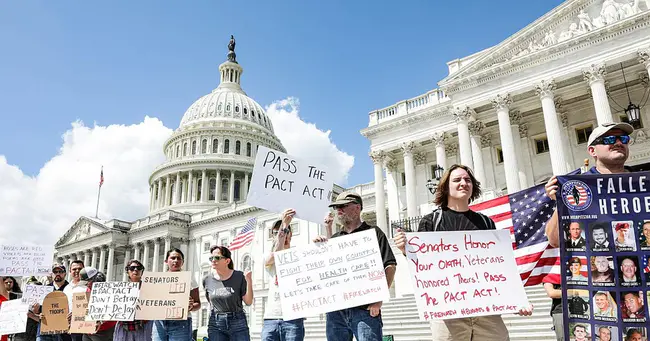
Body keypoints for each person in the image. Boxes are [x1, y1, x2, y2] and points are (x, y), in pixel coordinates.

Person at [394, 164, 532, 340]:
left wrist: (517, 299)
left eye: (467, 180)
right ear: (445, 186)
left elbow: (500, 267)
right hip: (448, 312)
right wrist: (405, 250)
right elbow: (423, 266)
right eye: (457, 179)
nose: (463, 183)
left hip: (486, 310)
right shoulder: (432, 222)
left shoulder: (485, 222)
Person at [312, 191, 397, 341]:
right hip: (336, 312)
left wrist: (379, 299)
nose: (339, 210)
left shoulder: (374, 233)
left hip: (364, 310)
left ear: (357, 208)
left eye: (343, 206)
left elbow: (390, 266)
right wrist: (320, 248)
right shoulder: (335, 239)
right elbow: (327, 272)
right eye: (337, 207)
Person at [545, 122, 634, 247]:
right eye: (609, 139)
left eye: (624, 139)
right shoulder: (577, 187)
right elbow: (555, 241)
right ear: (592, 151)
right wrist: (561, 202)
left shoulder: (642, 183)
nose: (619, 143)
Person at [261, 208, 304, 341]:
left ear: (291, 234)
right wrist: (284, 225)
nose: (283, 234)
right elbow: (276, 255)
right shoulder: (267, 256)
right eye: (276, 232)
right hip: (271, 318)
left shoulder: (300, 255)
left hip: (293, 317)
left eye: (286, 231)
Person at [203, 245, 253, 341]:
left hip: (237, 321)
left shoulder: (239, 276)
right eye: (211, 258)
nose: (213, 260)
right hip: (216, 323)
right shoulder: (207, 280)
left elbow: (248, 302)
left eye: (217, 257)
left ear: (227, 261)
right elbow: (211, 302)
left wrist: (249, 281)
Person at [152, 249, 201, 341]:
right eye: (173, 258)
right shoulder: (157, 279)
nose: (176, 261)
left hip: (181, 322)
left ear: (182, 262)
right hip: (159, 322)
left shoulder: (189, 279)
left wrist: (190, 306)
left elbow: (197, 304)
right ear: (166, 261)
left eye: (179, 258)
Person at [113, 260, 152, 341]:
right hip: (124, 326)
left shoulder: (149, 288)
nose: (135, 270)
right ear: (127, 272)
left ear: (142, 271)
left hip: (144, 325)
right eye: (132, 268)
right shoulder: (119, 289)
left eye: (139, 268)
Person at [74, 267, 115, 341]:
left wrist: (101, 321)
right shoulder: (88, 289)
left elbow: (113, 310)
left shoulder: (109, 290)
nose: (86, 285)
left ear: (96, 279)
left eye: (88, 282)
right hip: (88, 330)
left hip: (103, 331)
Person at [33, 263, 71, 341]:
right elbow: (37, 310)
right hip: (45, 330)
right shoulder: (44, 289)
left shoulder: (70, 288)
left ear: (65, 274)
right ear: (51, 274)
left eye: (60, 272)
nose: (57, 274)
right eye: (55, 272)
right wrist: (37, 313)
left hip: (64, 331)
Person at [63, 260, 85, 341]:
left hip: (84, 326)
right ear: (70, 271)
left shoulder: (88, 286)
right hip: (69, 327)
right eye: (74, 269)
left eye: (80, 269)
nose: (77, 271)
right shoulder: (67, 288)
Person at [542, 275, 563, 341]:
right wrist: (575, 292)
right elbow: (552, 293)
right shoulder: (550, 274)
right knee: (562, 338)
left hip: (578, 310)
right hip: (560, 311)